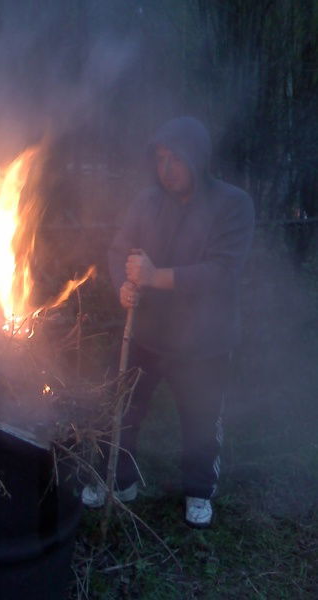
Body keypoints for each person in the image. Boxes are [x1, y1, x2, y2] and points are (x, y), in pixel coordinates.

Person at [82, 116, 255, 527]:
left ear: (198, 159)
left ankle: (198, 491)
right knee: (121, 407)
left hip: (204, 340)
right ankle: (119, 481)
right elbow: (119, 248)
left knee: (199, 418)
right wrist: (124, 284)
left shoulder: (232, 204)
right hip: (147, 333)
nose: (166, 168)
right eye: (160, 159)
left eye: (175, 159)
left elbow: (222, 272)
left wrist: (156, 277)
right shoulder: (147, 201)